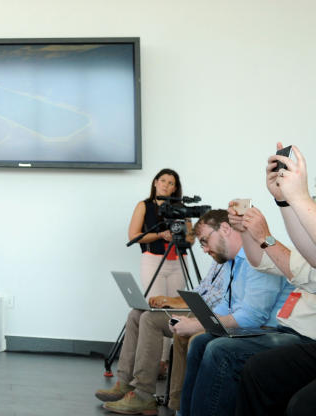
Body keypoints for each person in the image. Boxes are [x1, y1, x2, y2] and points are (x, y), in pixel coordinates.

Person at [95, 212, 232, 414]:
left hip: (212, 316)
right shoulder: (219, 260)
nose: (203, 249)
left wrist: (172, 302)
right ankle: (124, 383)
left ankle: (143, 394)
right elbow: (201, 292)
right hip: (200, 309)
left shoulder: (231, 258)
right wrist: (171, 302)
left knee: (150, 319)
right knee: (136, 314)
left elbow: (213, 302)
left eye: (204, 241)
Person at [172, 208, 293, 415]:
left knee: (219, 349)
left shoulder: (262, 254)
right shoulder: (232, 261)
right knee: (202, 341)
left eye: (204, 240)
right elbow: (225, 308)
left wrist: (197, 325)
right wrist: (195, 321)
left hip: (277, 330)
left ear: (226, 229)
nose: (204, 249)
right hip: (258, 328)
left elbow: (252, 316)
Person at [234, 144, 316, 415]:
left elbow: (302, 271)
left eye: (206, 240)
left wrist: (298, 200)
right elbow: (294, 258)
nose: (205, 248)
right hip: (295, 330)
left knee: (300, 406)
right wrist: (284, 200)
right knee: (257, 370)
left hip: (303, 334)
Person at [128, 169, 190, 300]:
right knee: (155, 304)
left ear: (174, 189)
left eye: (171, 183)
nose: (165, 185)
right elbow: (133, 236)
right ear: (155, 183)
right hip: (153, 261)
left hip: (179, 261)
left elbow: (191, 238)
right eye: (162, 180)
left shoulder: (182, 208)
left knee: (176, 307)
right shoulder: (144, 205)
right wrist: (160, 235)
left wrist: (180, 236)